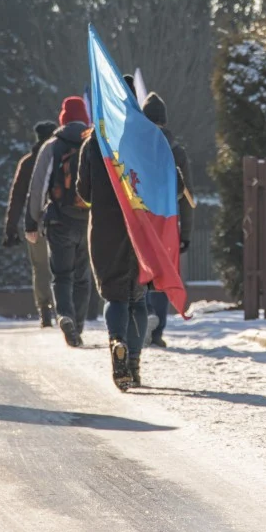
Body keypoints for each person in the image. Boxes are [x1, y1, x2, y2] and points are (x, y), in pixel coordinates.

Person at [77, 86, 148, 391]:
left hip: (105, 228)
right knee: (138, 297)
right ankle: (133, 361)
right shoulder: (146, 136)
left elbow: (83, 190)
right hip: (141, 226)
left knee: (114, 295)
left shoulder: (94, 139)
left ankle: (116, 342)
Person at [26, 97, 92, 347]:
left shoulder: (53, 145)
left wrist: (32, 222)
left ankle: (65, 315)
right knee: (83, 277)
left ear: (62, 119)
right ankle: (80, 324)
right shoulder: (94, 142)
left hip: (59, 221)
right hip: (88, 222)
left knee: (62, 275)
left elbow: (38, 185)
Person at [140, 92, 193, 349]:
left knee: (143, 270)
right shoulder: (175, 150)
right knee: (163, 271)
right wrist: (187, 234)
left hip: (142, 219)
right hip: (168, 221)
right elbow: (187, 195)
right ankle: (158, 329)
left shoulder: (134, 146)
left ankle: (144, 316)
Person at [3, 121, 59, 327]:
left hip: (34, 221)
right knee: (62, 265)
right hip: (60, 219)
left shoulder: (28, 162)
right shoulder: (60, 156)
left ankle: (44, 310)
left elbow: (17, 197)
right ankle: (63, 308)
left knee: (40, 266)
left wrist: (11, 228)